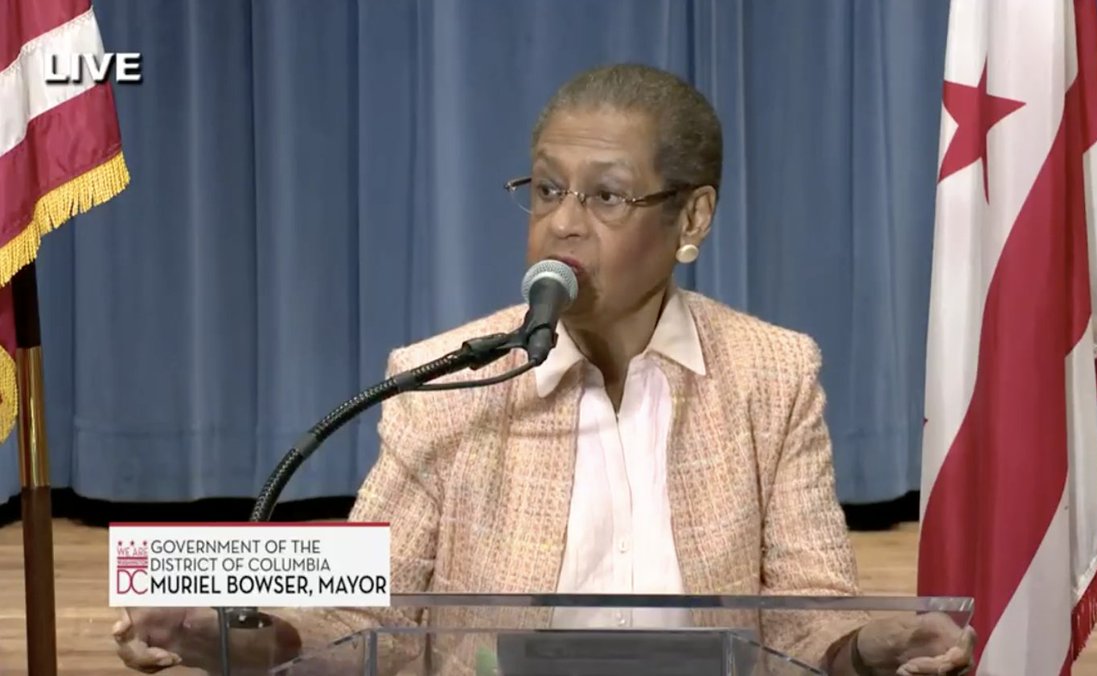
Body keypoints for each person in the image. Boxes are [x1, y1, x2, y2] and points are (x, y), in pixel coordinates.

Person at [114, 63, 974, 675]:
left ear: (692, 219)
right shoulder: (438, 381)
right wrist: (227, 636)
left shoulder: (771, 374)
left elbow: (806, 610)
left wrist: (872, 648)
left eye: (605, 196)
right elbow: (366, 617)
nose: (563, 224)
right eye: (547, 189)